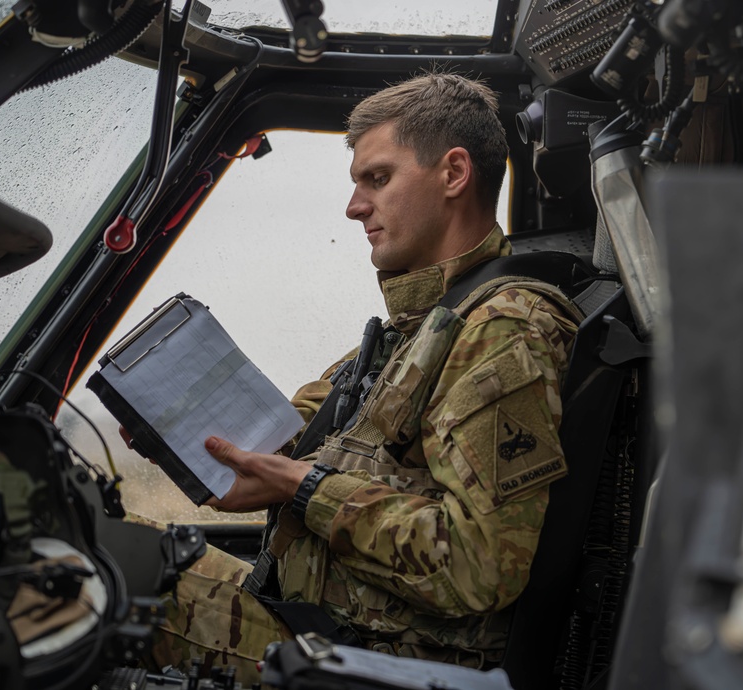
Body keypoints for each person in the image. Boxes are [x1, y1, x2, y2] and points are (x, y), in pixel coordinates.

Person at [148, 72, 581, 684]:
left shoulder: (499, 331)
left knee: (93, 588)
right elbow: (316, 442)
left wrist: (302, 487)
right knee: (111, 549)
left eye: (377, 179)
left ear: (454, 174)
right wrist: (219, 451)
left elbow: (478, 566)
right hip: (311, 624)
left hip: (379, 666)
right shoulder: (414, 330)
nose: (353, 208)